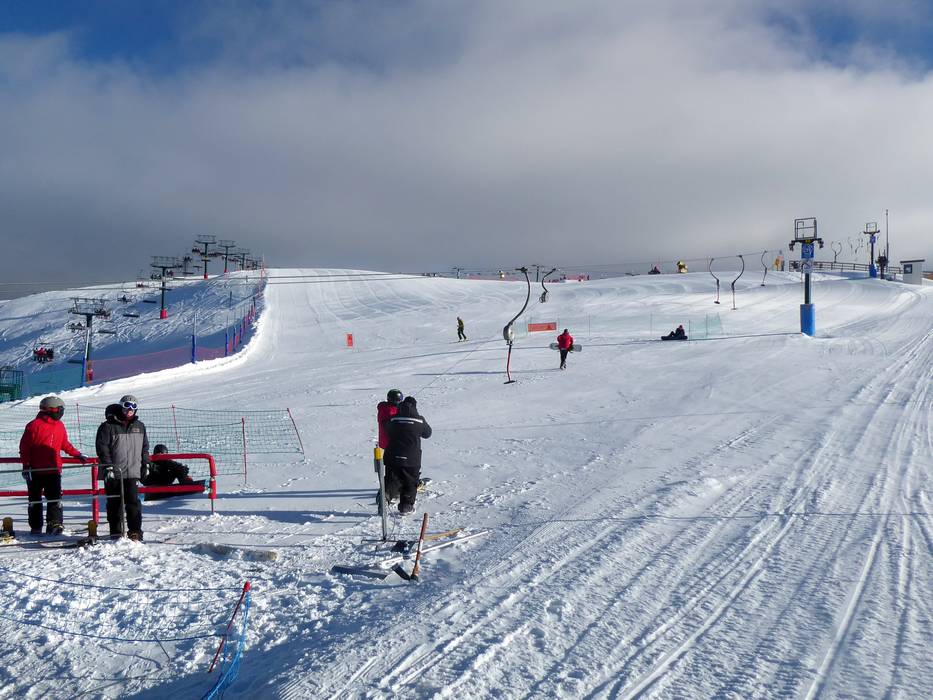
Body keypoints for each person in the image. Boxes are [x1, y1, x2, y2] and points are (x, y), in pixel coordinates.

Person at [19, 396, 87, 535]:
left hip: (53, 470)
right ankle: (36, 526)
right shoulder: (34, 425)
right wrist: (26, 465)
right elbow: (24, 447)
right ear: (51, 409)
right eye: (60, 409)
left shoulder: (59, 425)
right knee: (34, 500)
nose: (61, 413)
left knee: (55, 498)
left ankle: (54, 523)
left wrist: (76, 454)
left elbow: (64, 444)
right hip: (36, 470)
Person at [95, 394, 150, 541]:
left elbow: (144, 448)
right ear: (121, 407)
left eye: (133, 407)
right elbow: (102, 448)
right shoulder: (108, 426)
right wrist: (108, 467)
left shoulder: (139, 426)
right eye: (126, 406)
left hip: (132, 471)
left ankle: (135, 531)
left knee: (133, 503)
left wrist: (145, 464)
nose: (129, 410)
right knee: (115, 503)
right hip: (114, 472)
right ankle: (116, 531)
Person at [384, 396, 432, 514]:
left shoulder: (393, 419)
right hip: (412, 458)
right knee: (410, 481)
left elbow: (386, 429)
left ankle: (385, 498)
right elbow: (427, 433)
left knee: (392, 478)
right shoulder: (420, 420)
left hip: (392, 456)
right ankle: (406, 506)